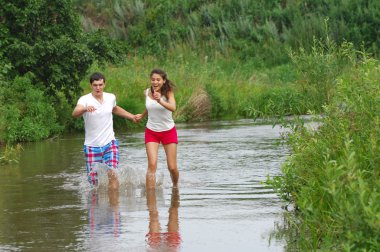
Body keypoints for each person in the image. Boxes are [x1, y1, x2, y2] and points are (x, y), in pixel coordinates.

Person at [72, 72, 136, 190]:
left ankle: (114, 206)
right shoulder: (84, 99)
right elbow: (75, 113)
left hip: (109, 143)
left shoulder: (110, 97)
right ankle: (97, 206)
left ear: (104, 84)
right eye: (95, 85)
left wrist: (131, 116)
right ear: (91, 85)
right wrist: (85, 109)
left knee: (112, 173)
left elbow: (115, 109)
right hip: (91, 146)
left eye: (100, 85)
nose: (98, 88)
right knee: (94, 182)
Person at [135, 69, 179, 189]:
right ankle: (150, 199)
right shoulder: (147, 92)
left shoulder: (168, 92)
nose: (155, 82)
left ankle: (175, 186)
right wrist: (142, 115)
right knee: (152, 164)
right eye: (153, 79)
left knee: (172, 167)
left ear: (164, 81)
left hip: (168, 131)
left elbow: (173, 107)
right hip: (151, 132)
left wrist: (160, 100)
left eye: (158, 79)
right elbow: (149, 107)